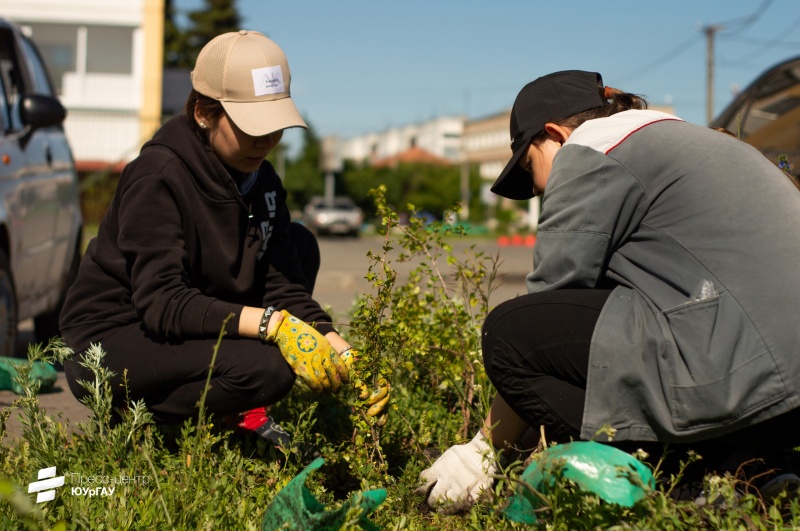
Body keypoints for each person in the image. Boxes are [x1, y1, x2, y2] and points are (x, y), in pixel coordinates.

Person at [419, 70, 800, 510]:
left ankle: (691, 477)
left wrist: (482, 451)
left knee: (509, 333)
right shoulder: (689, 140)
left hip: (749, 373)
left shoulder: (592, 148)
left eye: (530, 167)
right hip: (783, 396)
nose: (540, 189)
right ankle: (752, 464)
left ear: (556, 134)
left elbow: (546, 316)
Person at [59, 30, 389, 445]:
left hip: (181, 322)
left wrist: (339, 347)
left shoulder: (262, 182)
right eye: (252, 126)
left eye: (276, 126)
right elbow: (162, 302)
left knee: (300, 245)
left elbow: (279, 283)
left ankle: (227, 410)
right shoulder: (158, 176)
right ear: (203, 112)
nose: (266, 141)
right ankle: (147, 421)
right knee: (267, 368)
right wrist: (274, 326)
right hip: (115, 339)